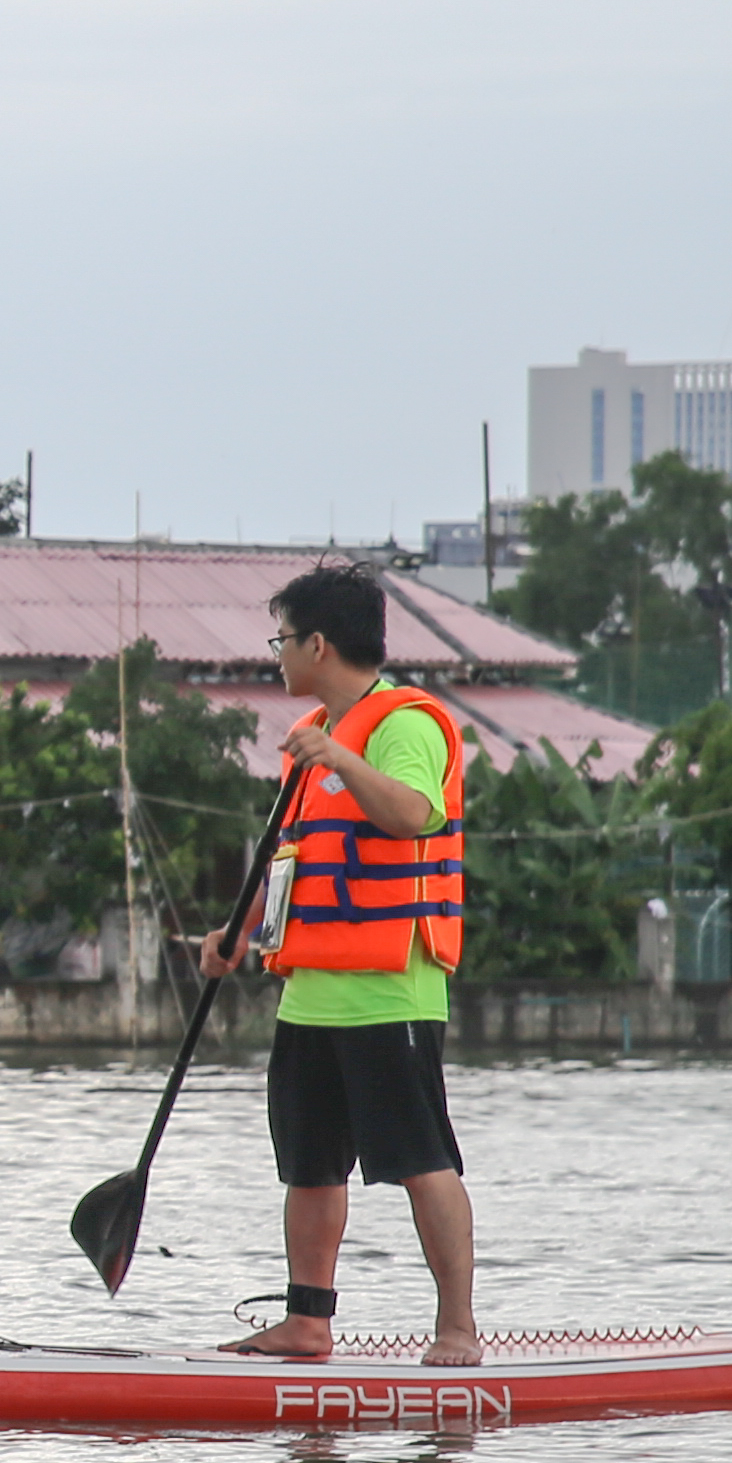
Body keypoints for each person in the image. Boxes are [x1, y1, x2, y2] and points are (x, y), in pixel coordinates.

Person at [208, 563, 478, 1363]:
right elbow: (287, 860)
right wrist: (235, 933)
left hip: (390, 988)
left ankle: (457, 1328)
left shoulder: (403, 723)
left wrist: (337, 756)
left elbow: (411, 815)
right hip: (311, 994)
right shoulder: (312, 745)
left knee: (421, 1161)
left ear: (318, 643)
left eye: (282, 639)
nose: (278, 655)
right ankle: (307, 1320)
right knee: (310, 1167)